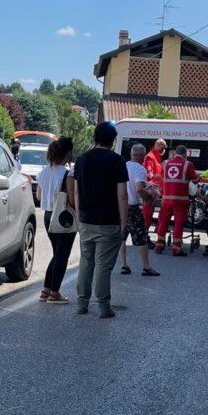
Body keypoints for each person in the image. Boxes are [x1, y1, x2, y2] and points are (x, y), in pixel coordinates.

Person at [70, 122, 128, 318]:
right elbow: (122, 195)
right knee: (103, 266)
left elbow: (76, 191)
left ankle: (81, 303)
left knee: (86, 263)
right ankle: (103, 306)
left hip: (86, 220)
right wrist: (123, 221)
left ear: (95, 137)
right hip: (109, 221)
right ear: (112, 141)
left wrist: (79, 216)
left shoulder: (82, 159)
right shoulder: (117, 161)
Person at [37, 137, 75, 304]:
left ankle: (46, 289)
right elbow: (72, 200)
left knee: (57, 253)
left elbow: (38, 195)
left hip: (47, 216)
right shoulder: (67, 173)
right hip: (62, 216)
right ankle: (54, 292)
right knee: (62, 256)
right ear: (67, 154)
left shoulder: (44, 172)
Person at [119, 144, 160, 277]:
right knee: (141, 237)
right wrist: (148, 198)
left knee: (122, 236)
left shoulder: (122, 166)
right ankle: (146, 267)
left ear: (131, 154)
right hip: (132, 207)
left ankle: (124, 265)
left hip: (119, 206)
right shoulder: (140, 169)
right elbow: (138, 188)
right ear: (142, 156)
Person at [154, 144, 199, 256]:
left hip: (166, 200)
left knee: (163, 222)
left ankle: (159, 245)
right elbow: (195, 179)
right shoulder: (187, 164)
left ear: (175, 153)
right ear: (185, 154)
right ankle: (176, 248)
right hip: (181, 201)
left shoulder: (165, 164)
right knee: (178, 224)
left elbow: (161, 178)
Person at [142, 139, 166, 233]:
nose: (164, 150)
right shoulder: (150, 157)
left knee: (151, 213)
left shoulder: (157, 157)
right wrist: (150, 189)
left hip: (156, 191)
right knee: (147, 214)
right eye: (163, 147)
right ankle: (144, 235)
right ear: (159, 146)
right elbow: (149, 175)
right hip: (151, 190)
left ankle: (151, 231)